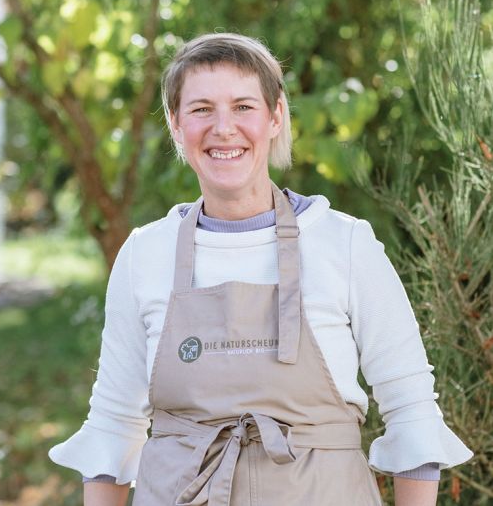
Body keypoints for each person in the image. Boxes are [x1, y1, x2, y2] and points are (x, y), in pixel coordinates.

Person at [48, 32, 473, 506]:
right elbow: (113, 425)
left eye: (243, 107)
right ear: (175, 123)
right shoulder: (145, 254)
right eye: (201, 109)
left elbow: (411, 411)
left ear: (275, 117)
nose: (223, 128)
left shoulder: (344, 243)